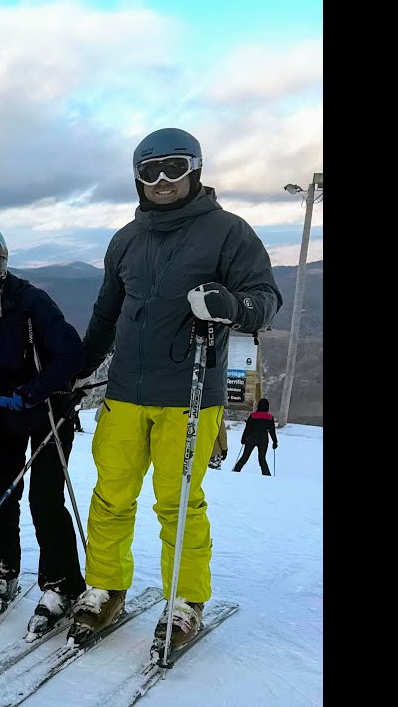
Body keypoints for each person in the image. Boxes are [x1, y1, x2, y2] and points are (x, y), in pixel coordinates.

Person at [69, 127, 283, 648]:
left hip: (189, 394)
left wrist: (232, 305)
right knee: (111, 496)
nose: (162, 180)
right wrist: (75, 370)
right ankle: (106, 586)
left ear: (196, 170)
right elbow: (105, 314)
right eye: (149, 170)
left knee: (179, 502)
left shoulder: (229, 232)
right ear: (137, 178)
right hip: (123, 394)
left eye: (174, 167)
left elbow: (264, 298)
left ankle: (186, 599)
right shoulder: (125, 238)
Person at [0, 227, 87, 636]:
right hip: (4, 416)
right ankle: (0, 570)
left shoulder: (30, 301)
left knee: (45, 500)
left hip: (47, 412)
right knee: (0, 494)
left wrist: (34, 391)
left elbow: (71, 355)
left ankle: (61, 584)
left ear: (2, 264)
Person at [232, 398, 278, 475]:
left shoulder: (253, 415)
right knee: (262, 459)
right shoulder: (270, 417)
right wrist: (275, 441)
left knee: (245, 456)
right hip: (263, 440)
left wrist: (243, 438)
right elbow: (272, 431)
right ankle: (267, 475)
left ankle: (236, 471)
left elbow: (248, 428)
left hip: (251, 438)